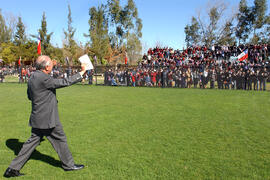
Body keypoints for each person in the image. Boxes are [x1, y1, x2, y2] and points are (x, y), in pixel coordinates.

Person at [4, 55, 87, 178]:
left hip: (38, 116)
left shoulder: (33, 76)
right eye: (51, 63)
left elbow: (29, 96)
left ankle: (12, 169)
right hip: (47, 118)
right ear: (47, 67)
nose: (53, 64)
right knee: (60, 139)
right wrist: (81, 72)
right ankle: (69, 165)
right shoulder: (43, 78)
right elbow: (63, 82)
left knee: (31, 143)